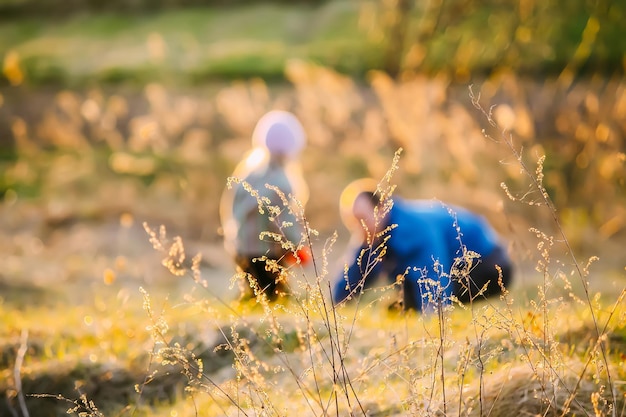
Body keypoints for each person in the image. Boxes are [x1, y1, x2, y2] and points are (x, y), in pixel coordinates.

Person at [333, 179, 513, 312]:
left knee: (417, 297)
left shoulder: (411, 228)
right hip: (456, 263)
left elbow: (434, 271)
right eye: (352, 221)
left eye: (362, 219)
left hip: (489, 263)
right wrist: (335, 306)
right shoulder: (372, 233)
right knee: (400, 305)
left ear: (380, 210)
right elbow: (355, 276)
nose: (358, 228)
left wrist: (432, 320)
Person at [220, 110, 310, 302]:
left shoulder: (248, 173)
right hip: (266, 252)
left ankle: (243, 309)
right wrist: (296, 246)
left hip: (242, 248)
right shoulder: (283, 182)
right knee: (277, 298)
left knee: (255, 291)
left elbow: (230, 208)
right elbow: (283, 222)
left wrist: (234, 239)